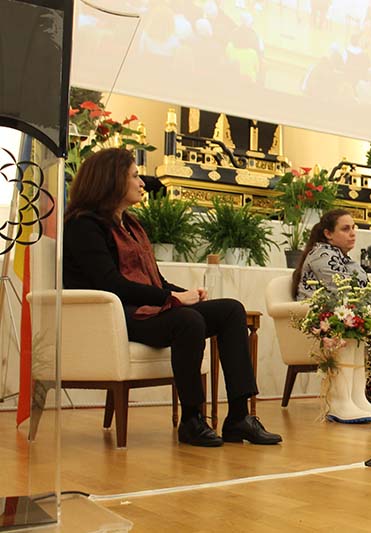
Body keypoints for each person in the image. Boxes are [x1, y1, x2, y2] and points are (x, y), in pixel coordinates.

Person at [63, 148, 281, 447]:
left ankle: (239, 418)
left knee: (231, 310)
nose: (142, 183)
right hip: (118, 317)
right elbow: (111, 283)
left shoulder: (131, 225)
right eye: (135, 176)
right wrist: (173, 298)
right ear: (111, 180)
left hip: (147, 311)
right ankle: (192, 419)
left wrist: (181, 293)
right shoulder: (83, 225)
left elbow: (154, 279)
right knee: (187, 320)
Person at [293, 209, 371, 413]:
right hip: (327, 316)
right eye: (345, 229)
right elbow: (341, 288)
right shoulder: (321, 255)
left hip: (353, 309)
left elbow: (361, 287)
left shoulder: (343, 257)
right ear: (328, 233)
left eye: (353, 228)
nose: (353, 233)